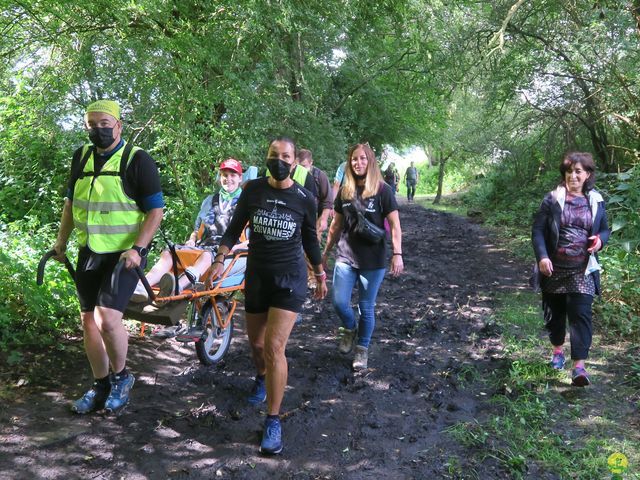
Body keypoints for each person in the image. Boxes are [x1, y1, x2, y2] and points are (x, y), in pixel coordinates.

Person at [211, 136, 328, 455]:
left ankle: (273, 420)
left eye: (286, 156)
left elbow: (310, 240)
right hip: (258, 277)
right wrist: (220, 259)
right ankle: (261, 377)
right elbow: (234, 229)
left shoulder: (304, 197)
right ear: (266, 158)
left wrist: (319, 272)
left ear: (295, 161)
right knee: (257, 344)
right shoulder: (253, 190)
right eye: (273, 155)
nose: (279, 160)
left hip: (289, 278)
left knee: (275, 347)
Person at [53, 100, 164, 414]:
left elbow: (155, 211)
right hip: (90, 249)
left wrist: (139, 249)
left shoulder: (137, 160)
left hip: (126, 254)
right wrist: (61, 242)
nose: (98, 130)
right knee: (88, 321)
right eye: (91, 124)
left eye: (104, 123)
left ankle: (121, 377)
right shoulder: (82, 157)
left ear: (119, 125)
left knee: (107, 318)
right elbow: (69, 205)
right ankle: (100, 384)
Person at [323, 143, 404, 371]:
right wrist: (325, 252)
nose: (358, 163)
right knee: (340, 302)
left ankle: (362, 348)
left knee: (366, 307)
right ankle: (349, 328)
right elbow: (335, 226)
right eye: (354, 159)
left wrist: (397, 254)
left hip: (373, 260)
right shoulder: (345, 191)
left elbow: (395, 226)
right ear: (349, 163)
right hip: (345, 257)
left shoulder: (383, 190)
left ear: (370, 161)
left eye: (363, 159)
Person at [531, 152, 610, 387]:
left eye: (578, 171)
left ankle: (579, 367)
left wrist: (600, 241)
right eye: (569, 172)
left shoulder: (596, 200)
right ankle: (557, 351)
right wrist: (542, 257)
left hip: (583, 269)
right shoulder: (553, 198)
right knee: (555, 315)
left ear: (587, 175)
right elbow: (537, 231)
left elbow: (605, 229)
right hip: (553, 269)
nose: (573, 176)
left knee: (581, 314)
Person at [130, 158, 247, 302]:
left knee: (206, 256)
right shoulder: (210, 201)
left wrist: (231, 249)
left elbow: (251, 242)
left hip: (226, 254)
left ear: (240, 178)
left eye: (233, 175)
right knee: (169, 253)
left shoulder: (247, 202)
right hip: (202, 247)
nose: (228, 179)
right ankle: (141, 287)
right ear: (220, 178)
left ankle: (176, 289)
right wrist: (192, 240)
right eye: (225, 175)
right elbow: (197, 229)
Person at [297, 149, 333, 237]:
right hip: (297, 213)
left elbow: (328, 200)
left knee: (313, 239)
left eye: (304, 166)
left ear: (311, 163)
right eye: (298, 166)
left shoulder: (320, 176)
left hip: (315, 215)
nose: (301, 170)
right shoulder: (293, 172)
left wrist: (323, 219)